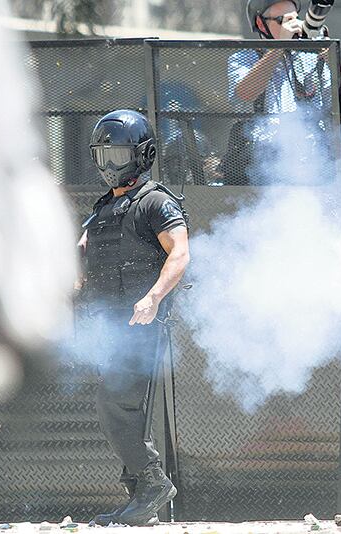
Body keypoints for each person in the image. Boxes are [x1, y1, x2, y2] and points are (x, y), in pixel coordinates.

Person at [77, 110, 190, 527]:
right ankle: (141, 498)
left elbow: (180, 253)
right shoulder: (104, 207)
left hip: (141, 324)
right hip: (110, 324)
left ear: (142, 155)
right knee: (120, 409)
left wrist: (153, 297)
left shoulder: (156, 201)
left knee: (115, 403)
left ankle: (153, 483)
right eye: (104, 155)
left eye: (120, 154)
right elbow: (84, 255)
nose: (111, 165)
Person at [223, 0, 341, 185]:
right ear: (261, 24)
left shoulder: (312, 58)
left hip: (315, 160)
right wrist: (280, 46)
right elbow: (245, 94)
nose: (293, 25)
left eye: (295, 19)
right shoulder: (244, 57)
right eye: (283, 20)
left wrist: (333, 59)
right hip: (262, 163)